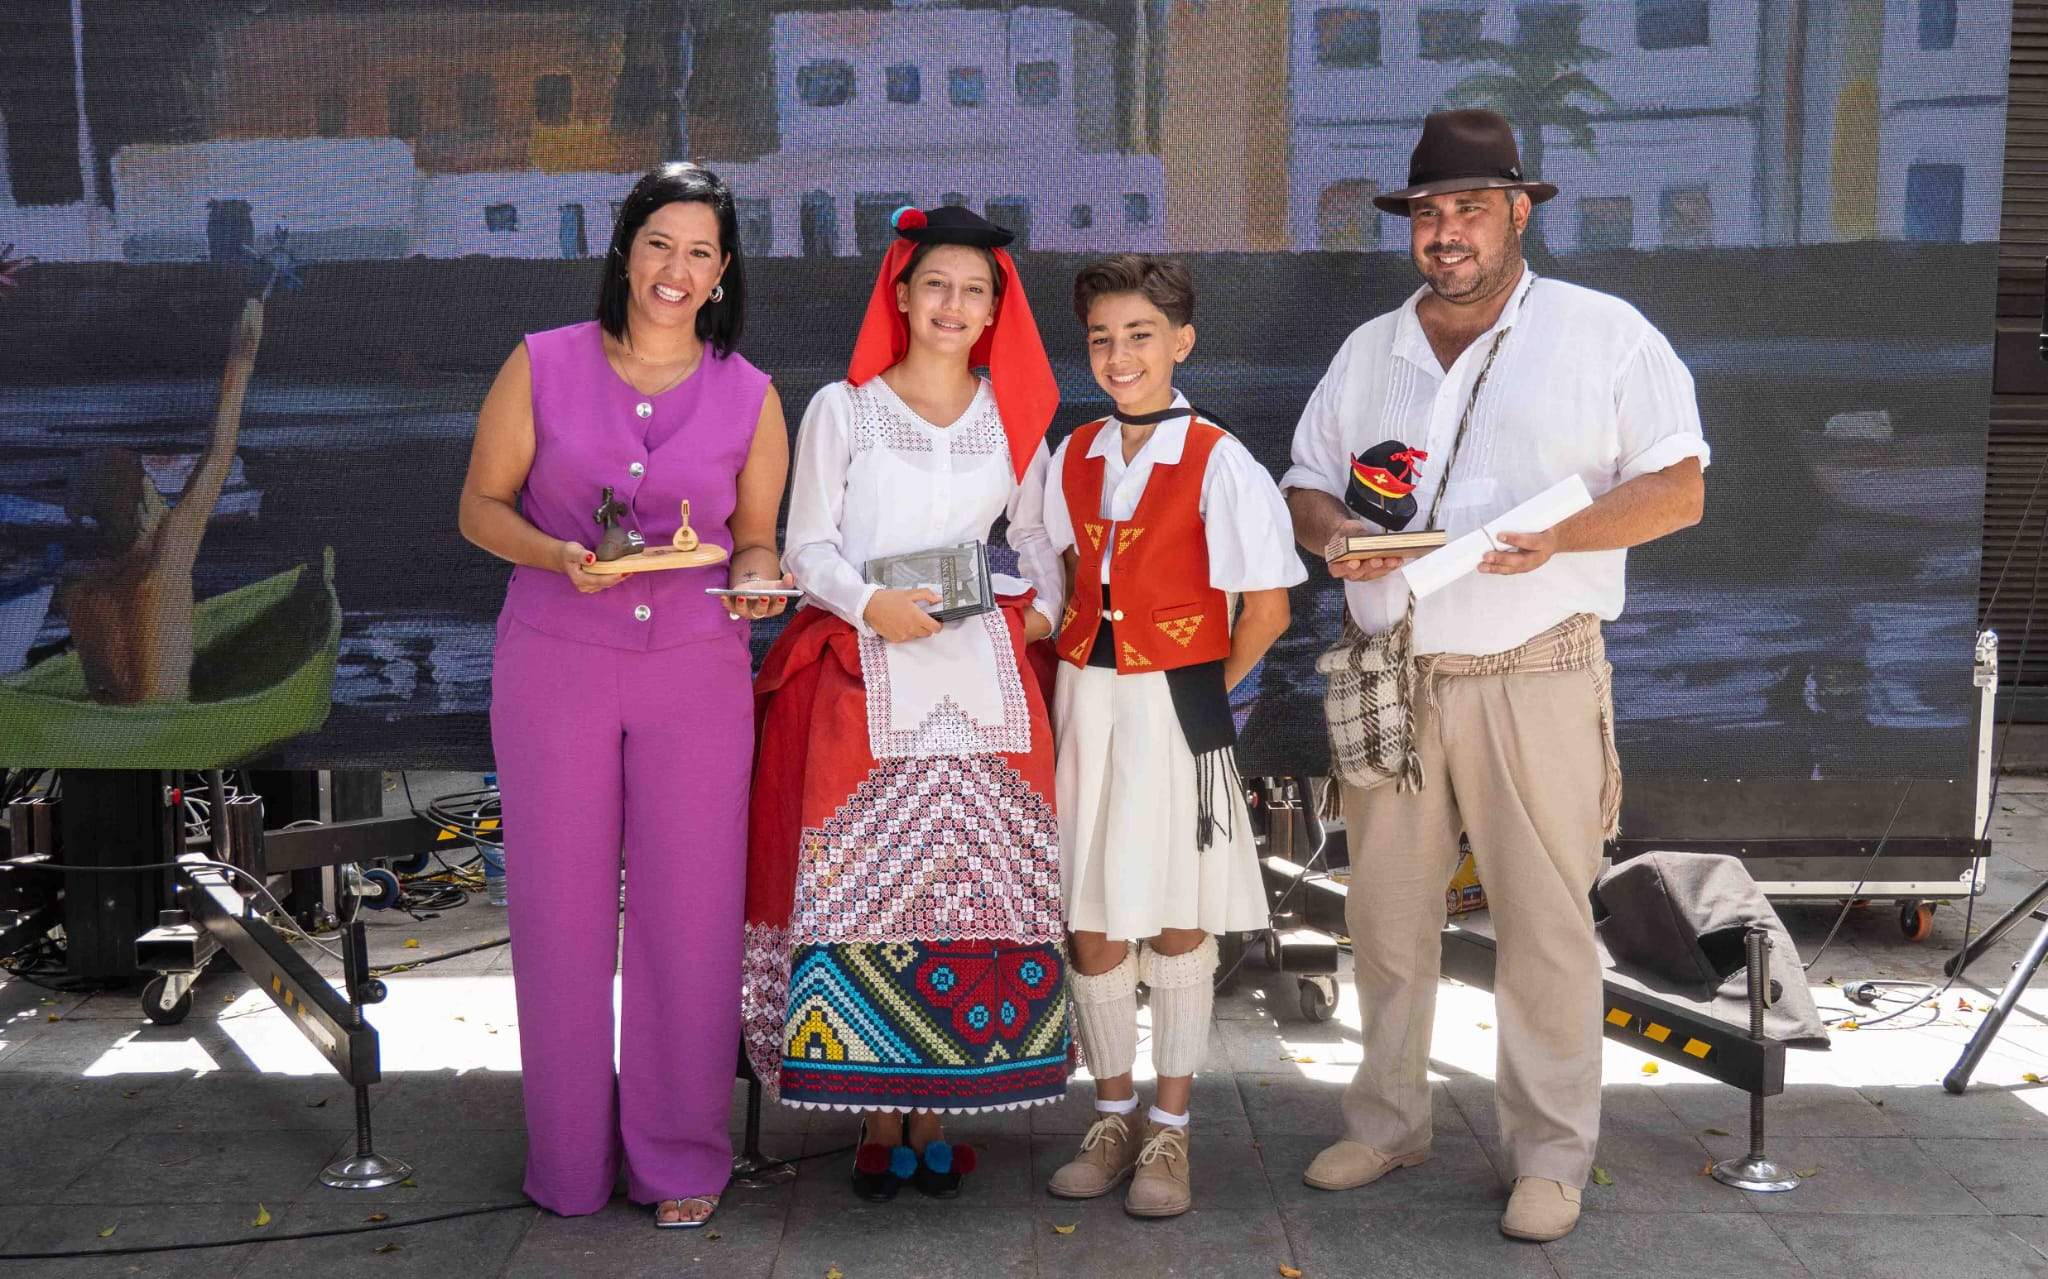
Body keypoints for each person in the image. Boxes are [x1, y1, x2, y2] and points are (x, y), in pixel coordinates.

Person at [1280, 109, 1708, 1243]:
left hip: (1537, 668)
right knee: (1383, 919)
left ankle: (1550, 1154)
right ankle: (1385, 1121)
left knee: (1543, 926)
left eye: (1469, 207)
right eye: (1428, 213)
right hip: (1394, 667)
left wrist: (1557, 541)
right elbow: (1304, 483)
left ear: (1519, 212)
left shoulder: (1603, 331)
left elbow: (1678, 488)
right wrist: (1331, 537)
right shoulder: (1368, 350)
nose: (1446, 231)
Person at [457, 162, 792, 1229]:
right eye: (659, 244)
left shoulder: (751, 391)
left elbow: (754, 539)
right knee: (556, 910)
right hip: (554, 657)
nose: (675, 269)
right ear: (624, 249)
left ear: (722, 272)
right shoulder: (541, 363)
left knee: (689, 914)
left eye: (699, 252)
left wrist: (753, 583)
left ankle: (679, 1157)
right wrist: (557, 554)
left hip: (696, 669)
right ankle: (566, 1160)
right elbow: (478, 508)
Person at [743, 204, 1069, 1202]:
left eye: (975, 290)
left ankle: (940, 1106)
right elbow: (806, 545)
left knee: (963, 884)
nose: (953, 304)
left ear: (994, 310)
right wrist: (869, 601)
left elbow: (1039, 542)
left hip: (977, 679)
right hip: (861, 673)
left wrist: (1037, 612)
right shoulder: (843, 408)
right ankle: (879, 1113)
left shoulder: (1013, 419)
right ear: (899, 293)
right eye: (936, 285)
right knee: (869, 888)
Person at [1040, 254, 1301, 1217]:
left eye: (1140, 335)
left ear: (1182, 342)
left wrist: (1198, 694)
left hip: (1177, 703)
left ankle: (1172, 1132)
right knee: (1095, 916)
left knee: (1180, 914)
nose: (1119, 354)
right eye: (1103, 338)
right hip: (1085, 701)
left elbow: (1265, 610)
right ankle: (1111, 1115)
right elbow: (1051, 580)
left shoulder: (1221, 459)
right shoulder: (1069, 455)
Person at [61, 297, 262, 703]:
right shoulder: (166, 561)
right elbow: (219, 455)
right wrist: (244, 350)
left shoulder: (78, 593)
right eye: (147, 481)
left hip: (115, 739)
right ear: (145, 504)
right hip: (166, 732)